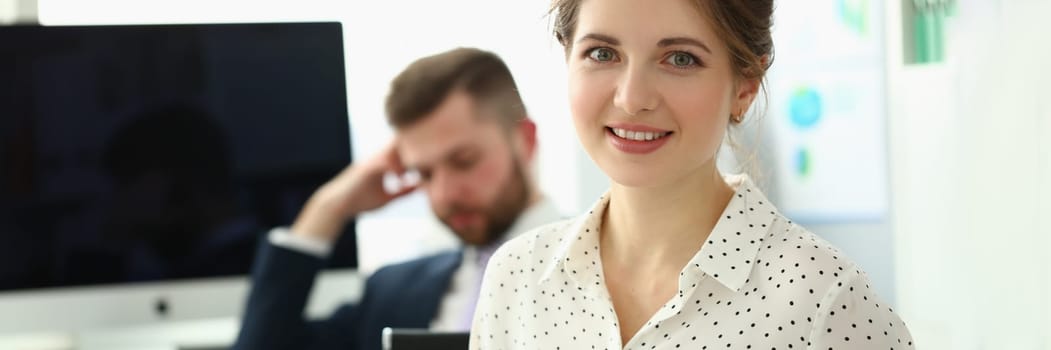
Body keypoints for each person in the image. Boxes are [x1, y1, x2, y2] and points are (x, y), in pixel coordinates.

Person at [469, 1, 915, 349]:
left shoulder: (823, 298)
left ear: (744, 86)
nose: (632, 98)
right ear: (568, 58)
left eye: (680, 59)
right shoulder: (516, 278)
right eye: (602, 53)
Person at [233, 48, 563, 350]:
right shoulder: (392, 291)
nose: (443, 194)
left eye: (464, 161)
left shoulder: (602, 265)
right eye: (423, 173)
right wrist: (327, 208)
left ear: (525, 139)